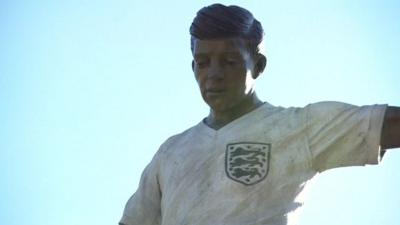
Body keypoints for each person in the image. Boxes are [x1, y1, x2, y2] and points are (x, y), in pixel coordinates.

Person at [119, 4, 399, 225]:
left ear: (258, 65)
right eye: (203, 63)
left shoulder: (297, 128)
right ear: (193, 68)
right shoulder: (170, 153)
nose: (213, 74)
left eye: (229, 61)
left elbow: (383, 125)